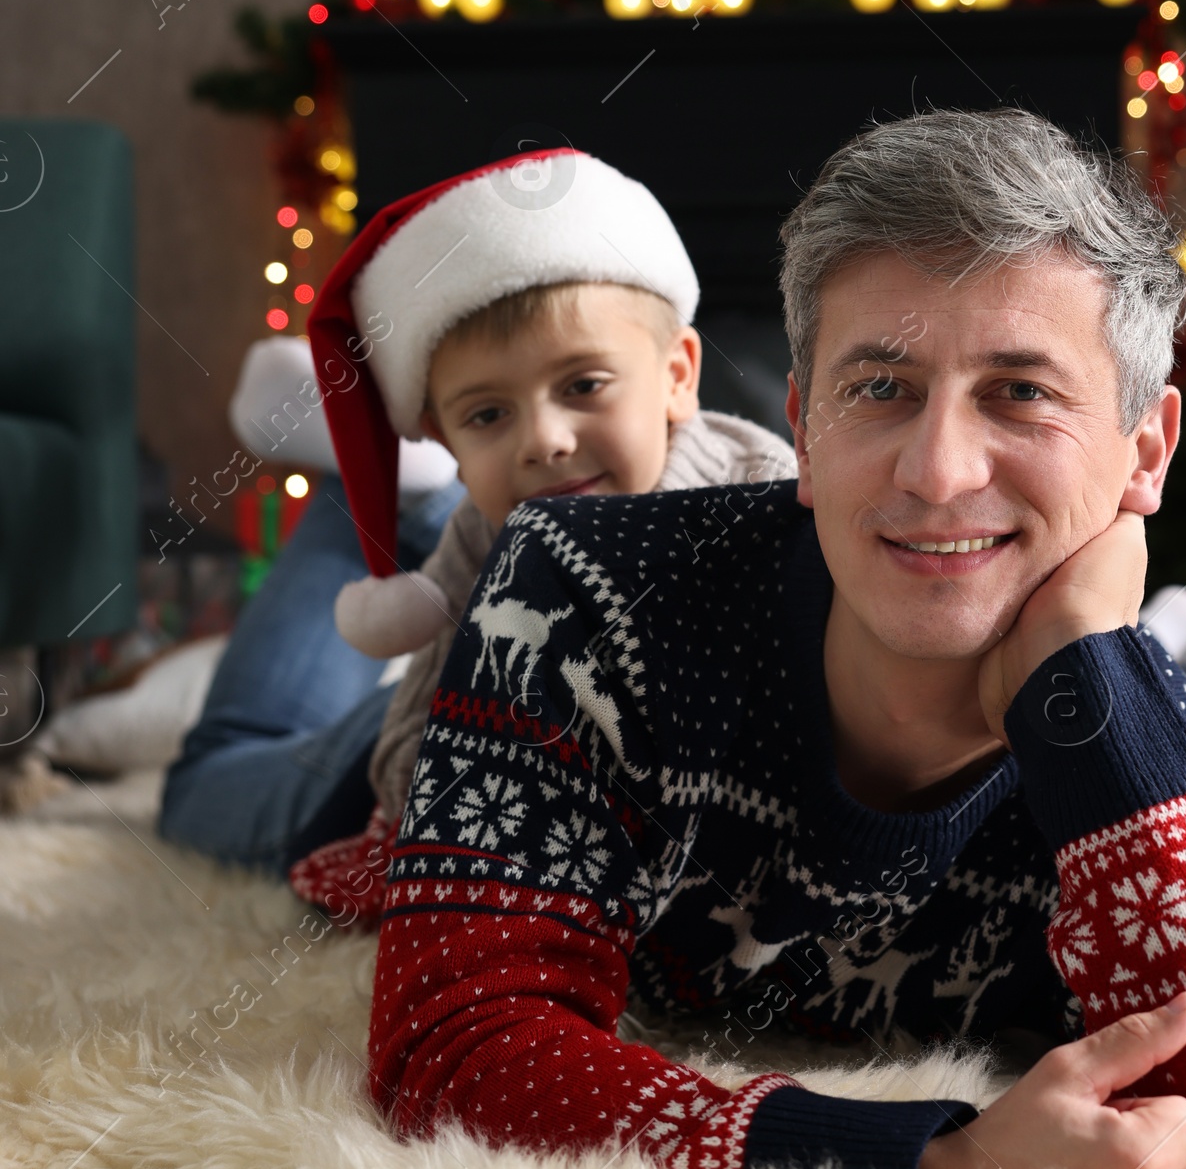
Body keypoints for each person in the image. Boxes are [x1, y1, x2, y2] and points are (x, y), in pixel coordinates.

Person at [366, 109, 1186, 1169]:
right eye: (879, 387)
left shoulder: (1152, 750)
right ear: (803, 429)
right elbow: (449, 1038)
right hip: (422, 755)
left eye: (1019, 390)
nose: (937, 470)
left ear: (1146, 450)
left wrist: (1080, 676)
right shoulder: (576, 584)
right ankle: (350, 537)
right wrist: (927, 1164)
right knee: (258, 763)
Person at [159, 149, 792, 885]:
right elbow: (408, 747)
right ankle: (384, 486)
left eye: (584, 383)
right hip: (449, 722)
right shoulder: (492, 543)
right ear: (447, 432)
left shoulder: (762, 495)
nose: (545, 438)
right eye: (489, 413)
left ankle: (409, 486)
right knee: (203, 787)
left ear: (679, 375)